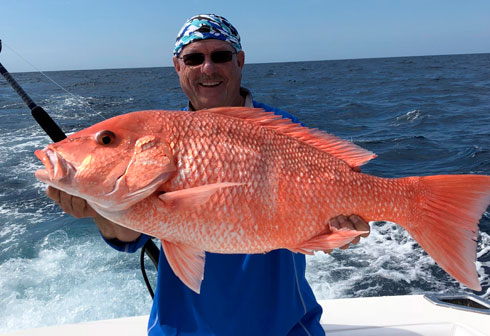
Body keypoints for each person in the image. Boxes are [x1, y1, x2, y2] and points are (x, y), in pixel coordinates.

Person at [46, 14, 370, 336]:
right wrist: (96, 207)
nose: (208, 68)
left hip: (285, 328)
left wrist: (343, 231)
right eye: (194, 58)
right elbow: (130, 237)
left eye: (221, 56)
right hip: (181, 330)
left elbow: (337, 207)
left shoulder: (284, 130)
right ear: (178, 66)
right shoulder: (159, 139)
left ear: (239, 60)